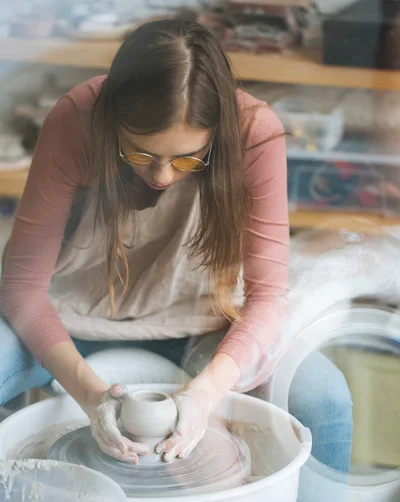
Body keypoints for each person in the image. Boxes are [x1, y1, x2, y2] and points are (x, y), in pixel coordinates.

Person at [0, 19, 352, 472]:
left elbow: (268, 297)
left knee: (326, 402)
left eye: (187, 158)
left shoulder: (254, 132)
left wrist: (204, 395)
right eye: (141, 154)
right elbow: (22, 287)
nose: (163, 176)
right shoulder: (79, 117)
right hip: (73, 314)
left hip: (202, 321)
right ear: (114, 122)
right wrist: (91, 396)